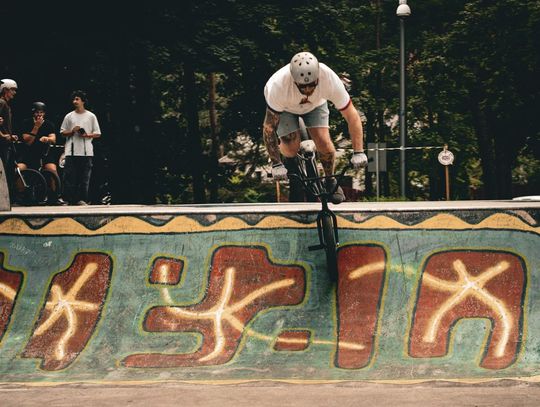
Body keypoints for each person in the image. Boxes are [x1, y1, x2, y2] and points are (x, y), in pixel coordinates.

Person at [262, 52, 368, 204]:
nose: (307, 90)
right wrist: (276, 163)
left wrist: (358, 151)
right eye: (302, 86)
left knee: (324, 142)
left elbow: (352, 116)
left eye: (312, 84)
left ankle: (330, 180)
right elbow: (269, 128)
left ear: (318, 77)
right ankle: (287, 152)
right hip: (285, 108)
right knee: (291, 148)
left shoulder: (329, 79)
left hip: (316, 105)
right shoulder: (278, 86)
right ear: (294, 80)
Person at [20, 101, 66, 205]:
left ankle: (55, 195)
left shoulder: (49, 124)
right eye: (37, 112)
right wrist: (36, 127)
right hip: (29, 153)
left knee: (52, 169)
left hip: (44, 153)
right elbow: (27, 141)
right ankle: (23, 195)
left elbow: (53, 139)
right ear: (33, 113)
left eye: (41, 112)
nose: (39, 115)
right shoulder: (26, 123)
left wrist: (47, 138)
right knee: (19, 168)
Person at [60, 90, 101, 205]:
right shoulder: (69, 116)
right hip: (71, 151)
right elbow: (62, 132)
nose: (74, 101)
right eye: (73, 99)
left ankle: (82, 199)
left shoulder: (91, 116)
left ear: (83, 101)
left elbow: (98, 133)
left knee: (84, 178)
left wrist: (87, 135)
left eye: (77, 99)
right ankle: (68, 199)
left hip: (86, 151)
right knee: (70, 177)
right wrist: (72, 131)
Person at [0, 79, 20, 201]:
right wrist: (3, 136)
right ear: (6, 90)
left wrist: (10, 136)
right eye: (13, 90)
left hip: (6, 143)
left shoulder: (5, 104)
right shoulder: (1, 103)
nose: (14, 93)